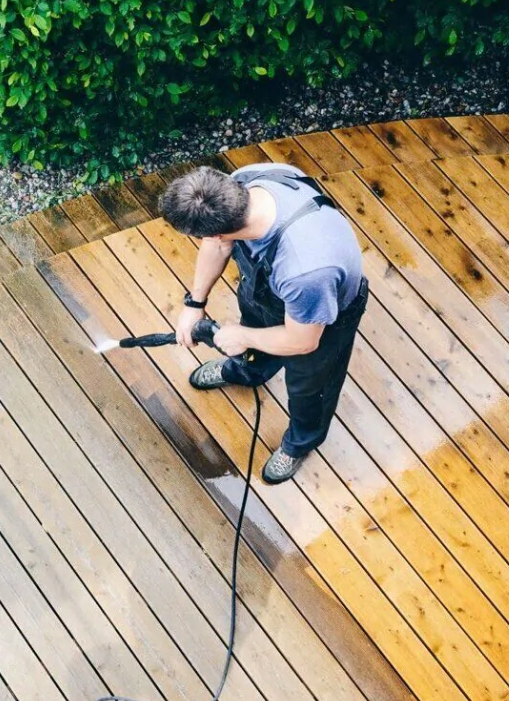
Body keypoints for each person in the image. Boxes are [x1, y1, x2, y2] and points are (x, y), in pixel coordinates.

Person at [158, 163, 368, 485]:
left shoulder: (306, 270)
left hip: (320, 321)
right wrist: (194, 304)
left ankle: (300, 442)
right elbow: (218, 244)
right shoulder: (242, 184)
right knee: (253, 340)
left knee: (310, 389)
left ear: (215, 230)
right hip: (265, 293)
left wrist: (242, 336)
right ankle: (248, 372)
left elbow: (302, 342)